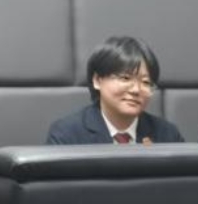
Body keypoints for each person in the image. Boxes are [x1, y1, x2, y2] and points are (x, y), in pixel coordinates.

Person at [46, 36, 184, 145]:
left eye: (146, 82)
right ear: (97, 80)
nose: (136, 90)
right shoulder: (67, 134)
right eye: (125, 78)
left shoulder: (167, 135)